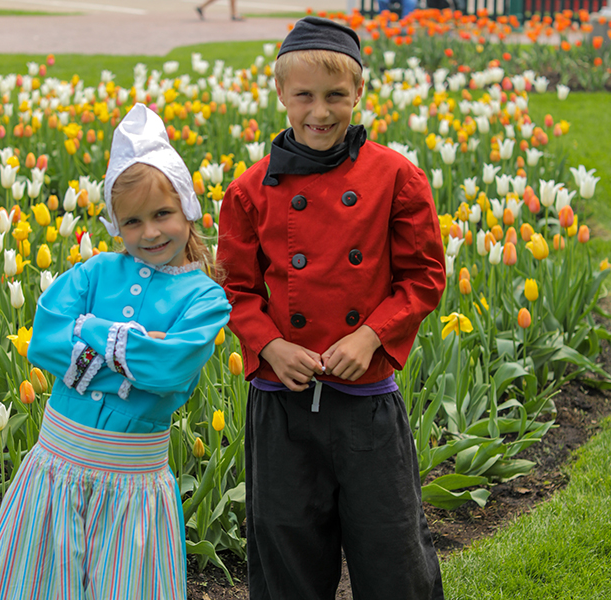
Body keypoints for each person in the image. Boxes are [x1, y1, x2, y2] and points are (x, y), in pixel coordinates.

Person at [218, 16, 446, 600]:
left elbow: (423, 278)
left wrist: (370, 336)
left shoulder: (396, 177)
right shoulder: (248, 191)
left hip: (366, 397)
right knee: (286, 545)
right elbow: (235, 291)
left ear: (359, 95)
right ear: (280, 97)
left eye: (335, 96)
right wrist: (270, 345)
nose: (320, 112)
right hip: (282, 403)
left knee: (391, 546)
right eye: (305, 96)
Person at [0, 103, 231, 600]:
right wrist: (134, 356)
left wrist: (89, 330)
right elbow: (45, 341)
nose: (149, 233)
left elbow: (170, 369)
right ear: (115, 224)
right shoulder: (93, 273)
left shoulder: (205, 299)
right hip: (55, 468)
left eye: (162, 214)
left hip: (132, 479)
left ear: (189, 209)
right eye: (132, 222)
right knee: (39, 583)